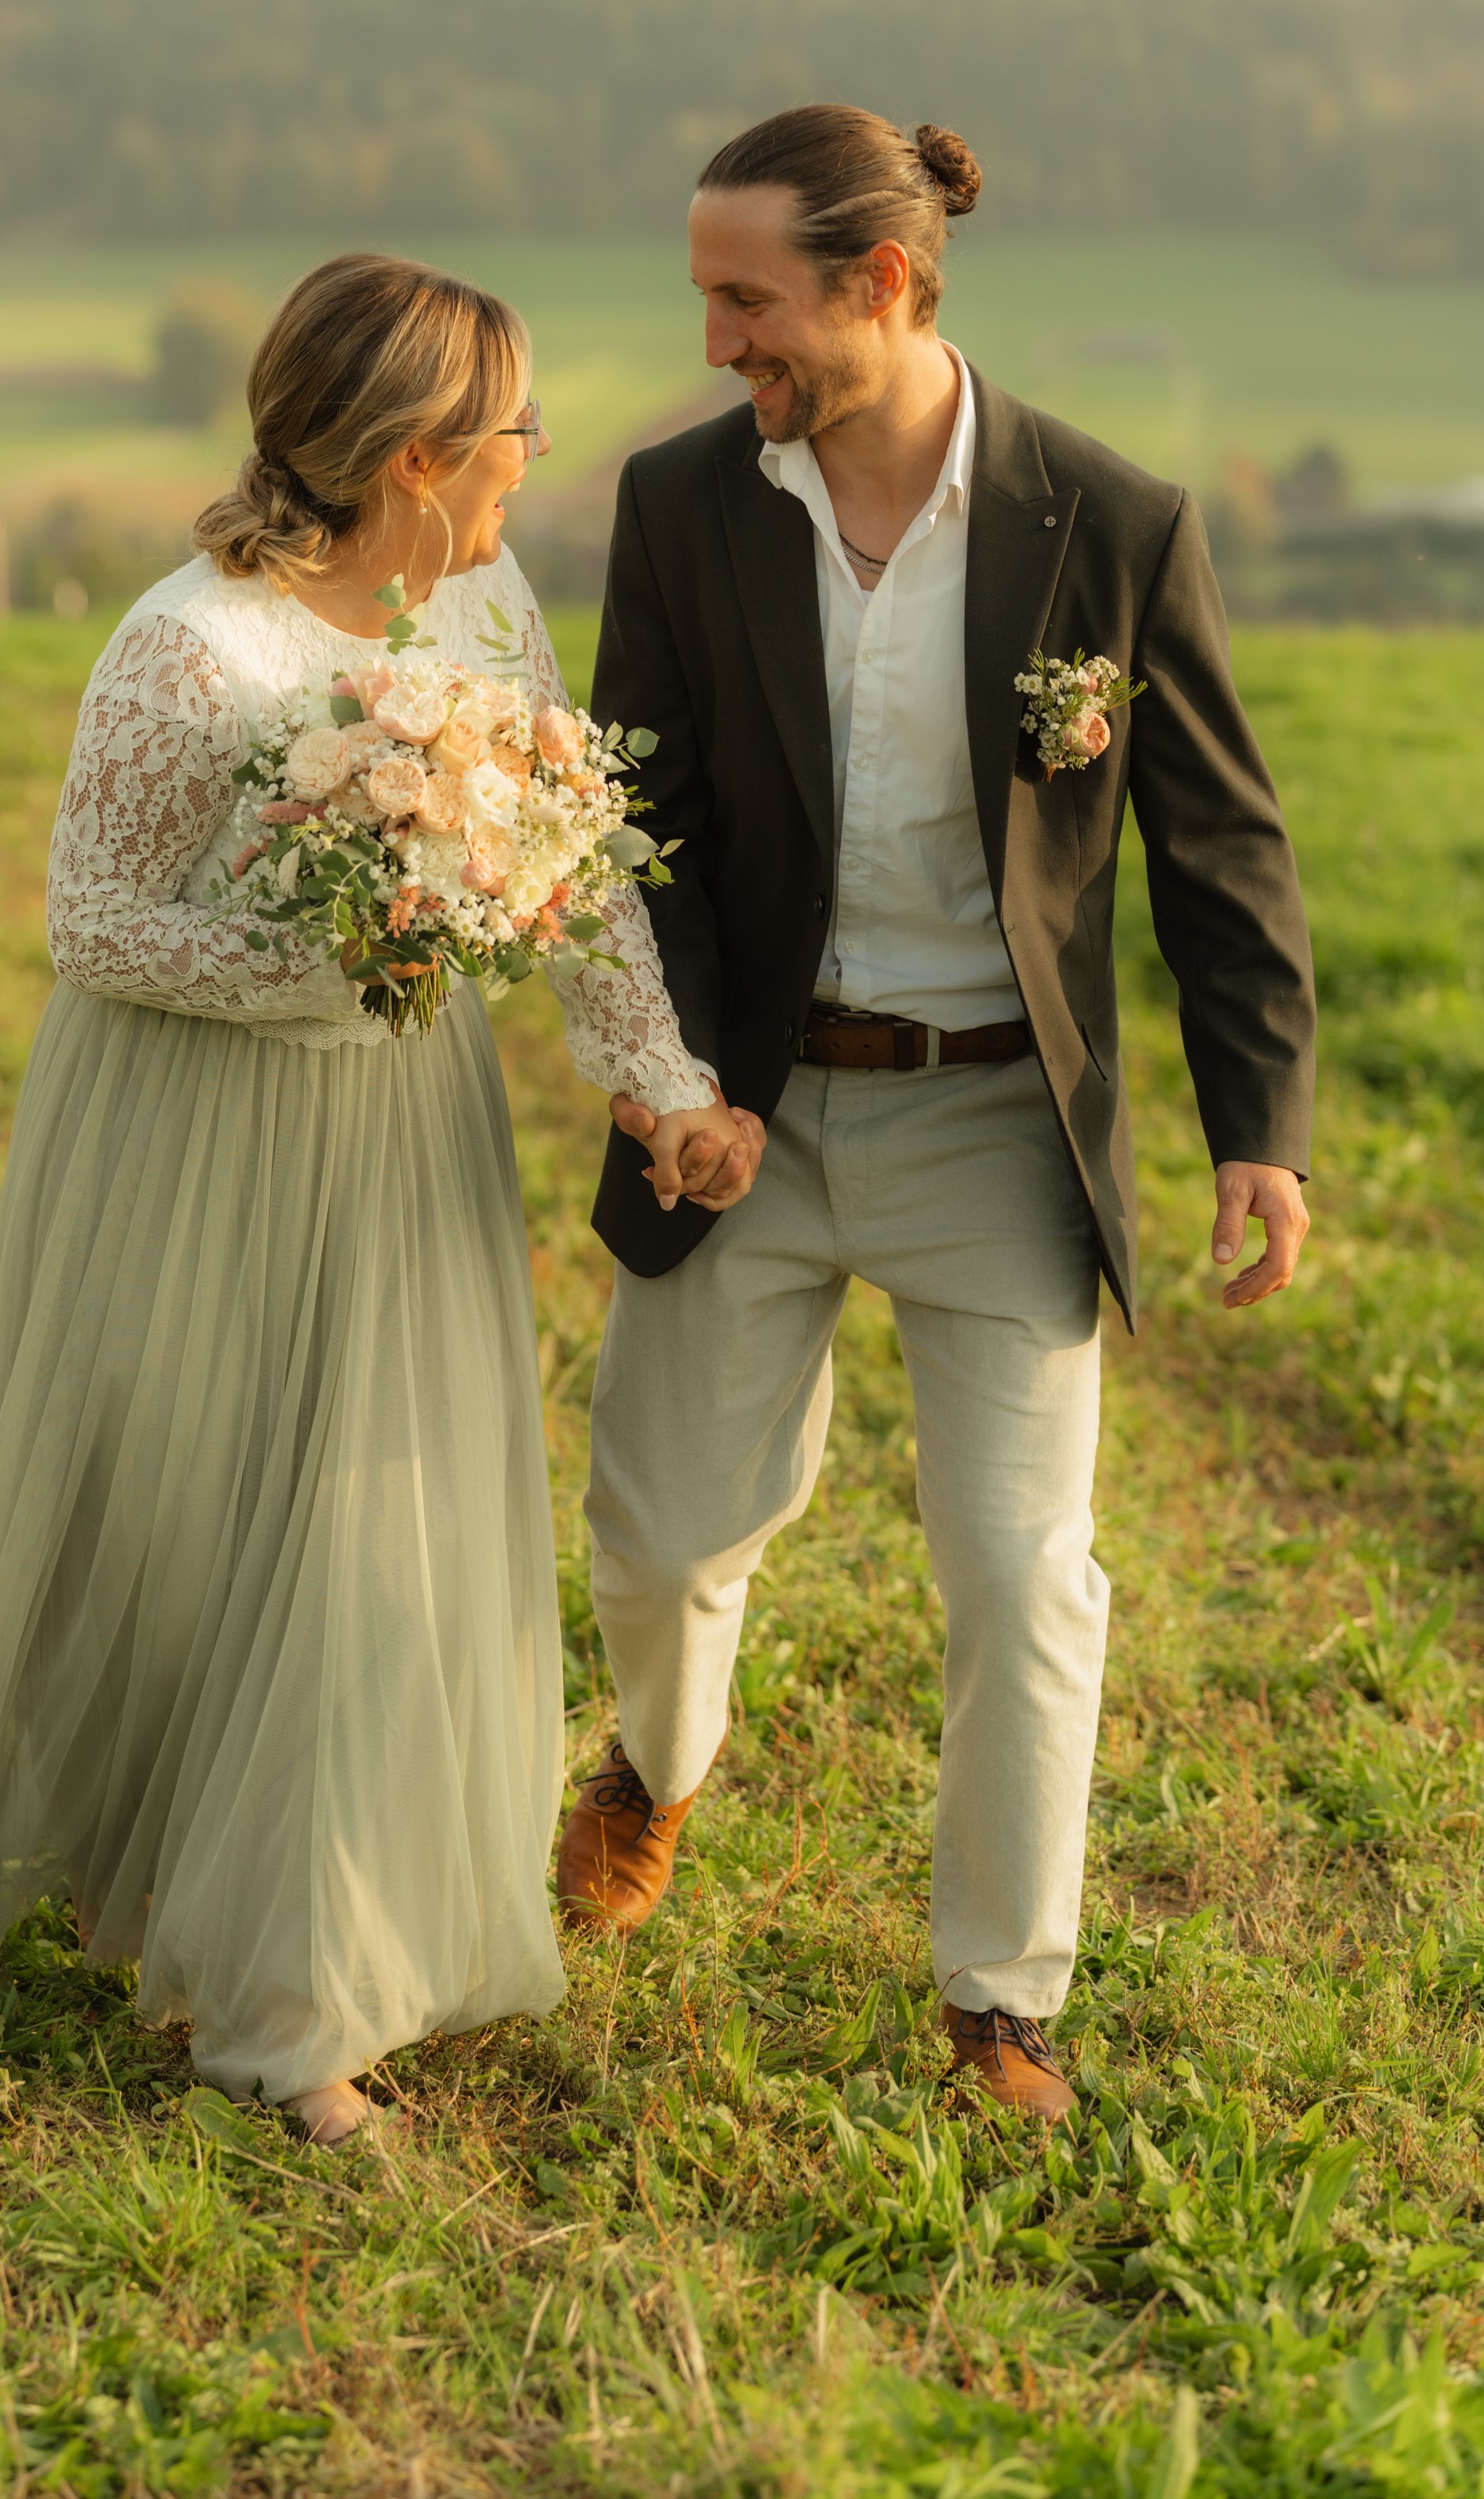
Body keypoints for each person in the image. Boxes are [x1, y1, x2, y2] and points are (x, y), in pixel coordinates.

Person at [0, 253, 754, 2146]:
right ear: (415, 453)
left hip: (399, 1131)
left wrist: (661, 1083)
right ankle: (191, 1898)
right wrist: (332, 968)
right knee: (191, 1519)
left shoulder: (486, 601)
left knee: (371, 1534)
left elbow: (572, 878)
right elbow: (91, 922)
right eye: (510, 428)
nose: (534, 455)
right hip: (189, 1125)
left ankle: (293, 1992)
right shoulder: (190, 646)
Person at [554, 106, 1315, 2122]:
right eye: (702, 297)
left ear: (878, 283)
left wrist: (1258, 1124)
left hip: (995, 1127)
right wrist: (672, 1083)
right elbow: (638, 822)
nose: (715, 341)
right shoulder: (679, 505)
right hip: (749, 1112)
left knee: (1021, 1569)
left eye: (746, 299)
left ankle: (998, 2001)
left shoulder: (1108, 518)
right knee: (660, 1537)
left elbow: (1217, 842)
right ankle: (656, 1761)